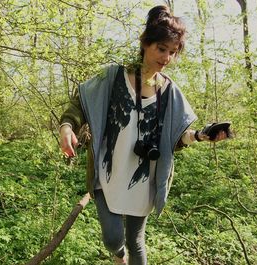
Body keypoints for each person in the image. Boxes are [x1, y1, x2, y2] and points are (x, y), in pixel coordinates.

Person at [59, 5, 228, 265]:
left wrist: (201, 135)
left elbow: (176, 138)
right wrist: (67, 127)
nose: (167, 58)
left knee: (136, 241)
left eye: (172, 52)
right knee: (113, 238)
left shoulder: (169, 92)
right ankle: (119, 256)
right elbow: (79, 104)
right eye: (162, 49)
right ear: (145, 44)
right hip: (108, 172)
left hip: (143, 180)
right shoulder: (113, 77)